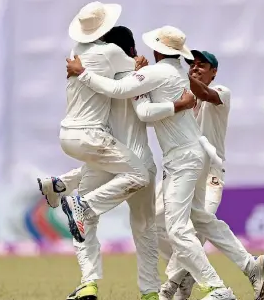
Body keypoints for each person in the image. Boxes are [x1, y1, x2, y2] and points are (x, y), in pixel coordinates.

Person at [66, 25, 264, 300]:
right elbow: (144, 111)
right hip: (192, 155)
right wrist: (149, 92)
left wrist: (84, 74)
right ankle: (249, 265)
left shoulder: (159, 73)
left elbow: (118, 89)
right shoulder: (171, 73)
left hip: (184, 158)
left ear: (156, 49)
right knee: (199, 218)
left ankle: (216, 288)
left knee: (177, 229)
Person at [39, 26, 195, 300]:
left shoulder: (98, 78)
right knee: (144, 230)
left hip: (104, 160)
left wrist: (82, 71)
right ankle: (148, 292)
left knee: (85, 224)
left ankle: (88, 282)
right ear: (132, 50)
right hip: (138, 161)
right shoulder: (141, 77)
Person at [157, 50, 264, 300]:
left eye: (202, 65)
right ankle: (187, 275)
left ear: (214, 72)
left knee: (200, 224)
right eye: (192, 65)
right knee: (160, 221)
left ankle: (172, 285)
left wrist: (173, 72)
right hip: (184, 170)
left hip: (210, 175)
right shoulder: (184, 97)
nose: (195, 68)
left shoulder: (221, 92)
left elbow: (206, 93)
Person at [59, 1, 151, 243]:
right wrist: (141, 65)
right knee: (139, 176)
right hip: (91, 134)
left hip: (67, 133)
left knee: (99, 172)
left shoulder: (75, 52)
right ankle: (81, 204)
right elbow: (137, 70)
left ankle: (59, 185)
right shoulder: (110, 53)